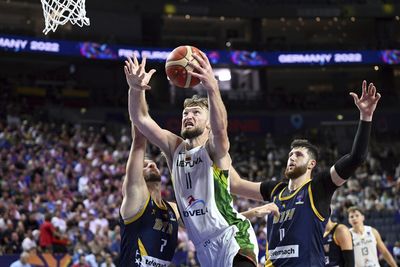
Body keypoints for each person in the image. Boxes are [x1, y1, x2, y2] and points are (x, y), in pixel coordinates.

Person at [125, 54, 278, 267]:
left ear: (207, 124)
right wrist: (135, 89)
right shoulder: (174, 148)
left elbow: (221, 129)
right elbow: (141, 119)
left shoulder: (214, 150)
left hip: (232, 237)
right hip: (204, 249)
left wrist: (212, 88)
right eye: (185, 113)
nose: (188, 116)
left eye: (196, 112)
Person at [227, 80, 381, 266]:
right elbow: (234, 184)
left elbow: (356, 157)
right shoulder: (276, 189)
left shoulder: (319, 187)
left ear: (311, 164)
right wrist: (218, 147)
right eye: (290, 154)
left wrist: (366, 116)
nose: (291, 158)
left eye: (298, 155)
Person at [119, 123, 179, 267]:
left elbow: (206, 220)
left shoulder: (173, 209)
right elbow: (139, 141)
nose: (151, 165)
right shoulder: (136, 199)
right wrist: (138, 108)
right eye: (144, 165)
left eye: (153, 164)